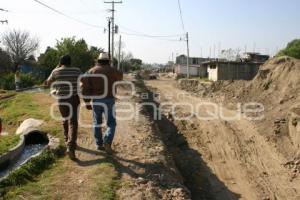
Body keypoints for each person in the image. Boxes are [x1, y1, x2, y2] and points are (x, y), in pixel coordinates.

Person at [81, 52, 123, 154]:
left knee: (97, 122)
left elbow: (84, 87)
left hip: (96, 100)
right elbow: (120, 77)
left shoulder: (91, 71)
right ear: (108, 61)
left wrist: (86, 102)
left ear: (98, 61)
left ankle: (99, 144)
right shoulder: (113, 71)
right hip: (109, 100)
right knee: (111, 123)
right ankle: (108, 141)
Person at [45, 55, 82, 160]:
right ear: (70, 62)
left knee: (65, 119)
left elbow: (47, 82)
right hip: (74, 99)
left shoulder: (56, 71)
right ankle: (71, 146)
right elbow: (82, 80)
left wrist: (56, 67)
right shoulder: (77, 70)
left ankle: (67, 140)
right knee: (73, 122)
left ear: (61, 62)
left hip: (62, 99)